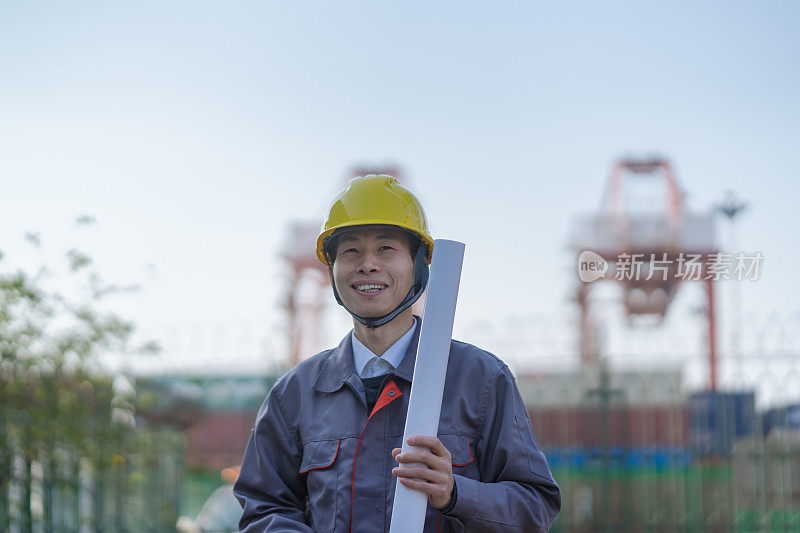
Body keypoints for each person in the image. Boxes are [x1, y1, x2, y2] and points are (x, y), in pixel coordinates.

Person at [234, 175, 561, 532]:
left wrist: (455, 493)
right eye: (351, 251)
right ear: (333, 271)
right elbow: (264, 509)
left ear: (418, 266)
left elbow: (536, 507)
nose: (368, 264)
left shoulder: (480, 379)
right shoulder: (294, 394)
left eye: (386, 248)